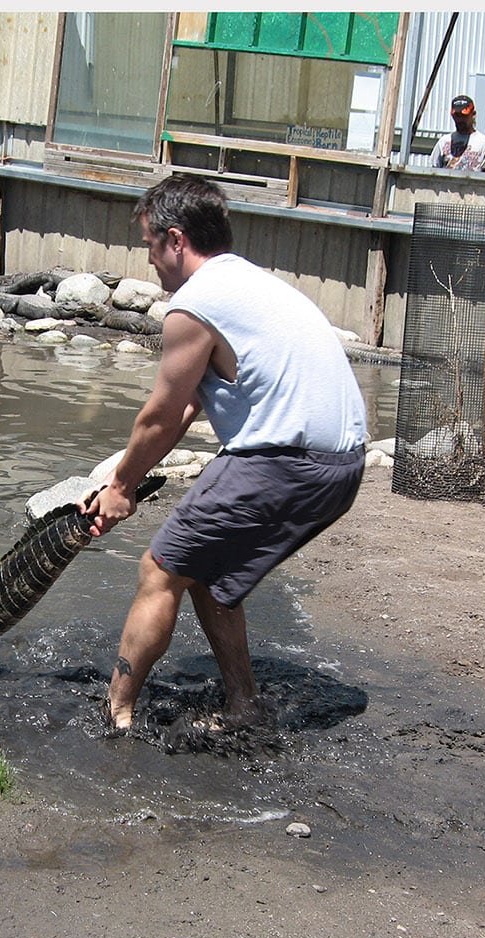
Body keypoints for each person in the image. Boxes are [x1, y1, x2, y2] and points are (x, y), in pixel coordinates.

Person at [81, 174, 368, 732]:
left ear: (176, 239)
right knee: (209, 572)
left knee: (161, 569)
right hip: (343, 466)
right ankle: (244, 706)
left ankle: (115, 714)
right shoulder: (253, 285)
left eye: (150, 248)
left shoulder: (195, 304)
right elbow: (189, 409)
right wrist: (126, 475)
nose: (152, 264)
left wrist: (119, 491)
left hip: (284, 460)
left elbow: (162, 415)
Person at [430, 94, 485, 173]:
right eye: (457, 115)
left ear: (473, 114)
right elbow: (433, 173)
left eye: (463, 116)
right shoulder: (443, 142)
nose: (460, 119)